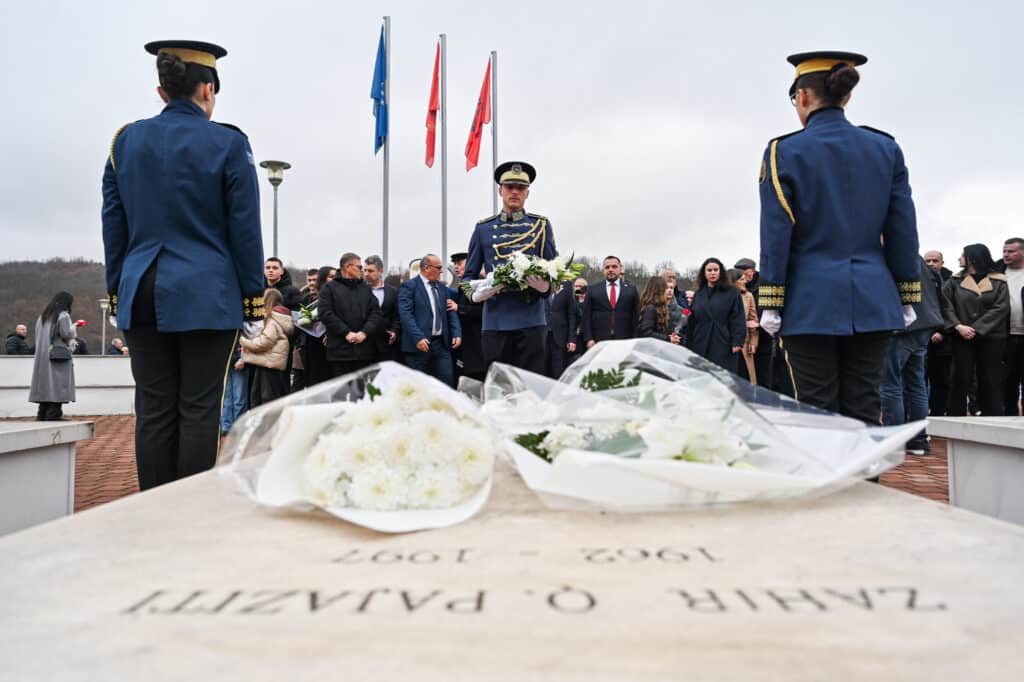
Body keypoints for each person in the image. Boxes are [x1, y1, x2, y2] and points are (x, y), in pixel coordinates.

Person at [102, 40, 265, 491]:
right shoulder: (229, 142)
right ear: (208, 89)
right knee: (199, 410)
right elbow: (245, 229)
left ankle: (152, 507)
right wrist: (253, 299)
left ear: (162, 91)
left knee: (153, 410)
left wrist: (116, 291)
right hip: (207, 294)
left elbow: (113, 226)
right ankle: (188, 512)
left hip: (140, 288)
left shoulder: (124, 142)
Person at [757, 51, 920, 423]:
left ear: (802, 96)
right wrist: (907, 292)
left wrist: (771, 299)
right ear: (847, 96)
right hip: (874, 298)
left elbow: (776, 232)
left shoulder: (784, 151)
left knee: (817, 413)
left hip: (809, 302)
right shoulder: (885, 147)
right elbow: (902, 228)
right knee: (865, 409)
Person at [465, 161, 556, 375]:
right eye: (509, 187)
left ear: (527, 193)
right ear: (500, 191)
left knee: (531, 382)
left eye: (521, 188)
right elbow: (468, 278)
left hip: (531, 318)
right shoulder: (484, 228)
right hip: (496, 320)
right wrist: (480, 294)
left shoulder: (541, 225)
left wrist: (545, 287)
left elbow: (555, 271)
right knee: (499, 383)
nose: (515, 192)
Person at [879, 256, 944, 454]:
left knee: (890, 384)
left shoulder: (888, 254)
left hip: (901, 325)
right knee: (916, 384)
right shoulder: (915, 257)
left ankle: (895, 441)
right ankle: (918, 440)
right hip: (925, 322)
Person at [941, 244, 1010, 416]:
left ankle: (993, 416)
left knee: (990, 378)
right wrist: (958, 326)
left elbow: (1001, 308)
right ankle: (955, 415)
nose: (959, 258)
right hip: (961, 336)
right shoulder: (954, 281)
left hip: (992, 337)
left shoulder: (999, 281)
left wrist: (976, 328)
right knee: (960, 377)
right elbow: (945, 305)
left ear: (973, 258)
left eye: (962, 255)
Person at [399, 254, 462, 386]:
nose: (442, 271)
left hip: (441, 345)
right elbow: (406, 315)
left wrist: (457, 333)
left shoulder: (442, 288)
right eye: (438, 267)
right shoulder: (409, 286)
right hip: (418, 346)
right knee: (418, 387)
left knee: (447, 383)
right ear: (427, 268)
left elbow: (450, 311)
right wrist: (418, 337)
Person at [318, 253, 381, 378]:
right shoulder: (329, 288)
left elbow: (375, 313)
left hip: (363, 352)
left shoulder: (365, 288)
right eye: (359, 267)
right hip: (339, 353)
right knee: (342, 389)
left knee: (361, 389)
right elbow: (325, 313)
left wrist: (364, 332)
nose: (362, 271)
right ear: (347, 267)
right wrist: (346, 332)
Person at [685, 259, 746, 373]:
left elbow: (738, 318)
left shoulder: (732, 292)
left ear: (720, 272)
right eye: (709, 270)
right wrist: (688, 342)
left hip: (723, 341)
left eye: (715, 270)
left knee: (723, 375)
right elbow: (692, 319)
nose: (712, 273)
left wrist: (737, 341)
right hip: (700, 340)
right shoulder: (699, 293)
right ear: (704, 273)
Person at [240, 288, 294, 407]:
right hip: (268, 363)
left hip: (269, 364)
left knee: (264, 399)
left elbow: (263, 343)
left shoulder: (273, 320)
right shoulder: (280, 318)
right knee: (262, 398)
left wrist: (243, 341)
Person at [29, 292, 78, 421]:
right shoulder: (63, 315)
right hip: (58, 356)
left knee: (45, 386)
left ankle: (42, 414)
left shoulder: (43, 316)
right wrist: (74, 328)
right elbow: (65, 334)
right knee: (59, 385)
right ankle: (54, 414)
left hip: (42, 356)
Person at [581, 255, 640, 348]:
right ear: (603, 270)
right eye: (607, 267)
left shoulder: (631, 290)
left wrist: (634, 340)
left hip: (625, 341)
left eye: (614, 266)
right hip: (598, 342)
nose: (610, 269)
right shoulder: (592, 289)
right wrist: (589, 339)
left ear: (620, 269)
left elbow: (635, 318)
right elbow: (586, 317)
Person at [924, 251, 954, 416]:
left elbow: (951, 309)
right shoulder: (917, 278)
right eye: (927, 261)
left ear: (942, 262)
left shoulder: (951, 281)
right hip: (922, 337)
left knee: (941, 380)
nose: (931, 264)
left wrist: (942, 332)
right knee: (918, 380)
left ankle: (938, 413)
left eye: (935, 261)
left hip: (944, 339)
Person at [450, 252, 486, 382]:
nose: (456, 267)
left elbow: (484, 311)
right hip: (468, 344)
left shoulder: (480, 283)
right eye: (455, 264)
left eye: (459, 263)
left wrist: (459, 308)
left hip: (478, 343)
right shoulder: (464, 284)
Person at [999, 238, 1024, 415]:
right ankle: (1009, 418)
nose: (1006, 255)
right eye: (1004, 251)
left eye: (1011, 251)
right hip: (1004, 336)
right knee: (1007, 381)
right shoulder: (996, 273)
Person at [364, 254, 401, 363]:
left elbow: (397, 316)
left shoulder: (393, 292)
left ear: (381, 271)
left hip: (386, 344)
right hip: (364, 344)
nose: (366, 274)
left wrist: (394, 331)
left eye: (370, 271)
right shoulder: (359, 291)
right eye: (365, 270)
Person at [729, 268, 759, 384]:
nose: (745, 281)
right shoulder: (721, 297)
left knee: (748, 381)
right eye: (741, 279)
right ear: (733, 281)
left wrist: (753, 342)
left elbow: (753, 320)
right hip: (726, 343)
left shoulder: (748, 296)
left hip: (745, 344)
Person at [546, 279, 581, 377]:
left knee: (558, 371)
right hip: (542, 334)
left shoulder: (566, 284)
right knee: (542, 370)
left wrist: (572, 339)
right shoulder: (539, 279)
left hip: (560, 337)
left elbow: (572, 315)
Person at [638, 276, 682, 345]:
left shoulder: (661, 307)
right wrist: (667, 338)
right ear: (659, 290)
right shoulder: (650, 308)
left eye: (671, 288)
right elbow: (646, 332)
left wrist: (672, 337)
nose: (668, 290)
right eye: (665, 288)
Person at [220, 342, 248, 435]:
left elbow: (250, 339)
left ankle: (238, 427)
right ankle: (226, 428)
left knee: (239, 399)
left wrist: (243, 359)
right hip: (225, 362)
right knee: (226, 399)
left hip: (239, 361)